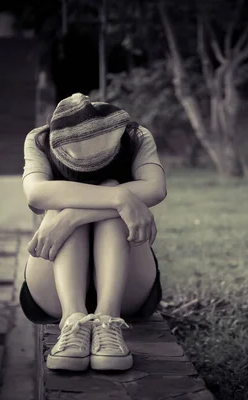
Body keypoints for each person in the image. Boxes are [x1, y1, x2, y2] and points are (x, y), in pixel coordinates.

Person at [20, 93, 167, 372]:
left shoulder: (135, 137)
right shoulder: (39, 139)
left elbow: (156, 189)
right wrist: (119, 198)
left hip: (127, 290)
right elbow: (37, 194)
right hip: (52, 288)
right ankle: (72, 319)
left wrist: (74, 216)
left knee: (79, 207)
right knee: (60, 207)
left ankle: (107, 319)